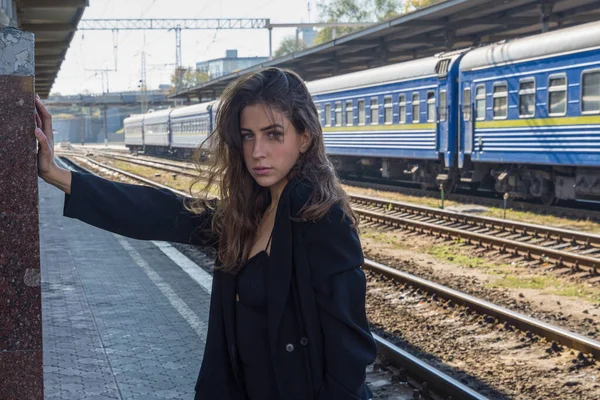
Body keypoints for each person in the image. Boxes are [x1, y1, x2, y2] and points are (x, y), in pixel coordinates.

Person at [34, 67, 377, 400]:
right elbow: (158, 212)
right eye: (248, 135)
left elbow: (349, 352)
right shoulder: (248, 214)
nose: (258, 151)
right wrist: (57, 174)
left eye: (274, 134)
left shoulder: (321, 218)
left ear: (304, 138)